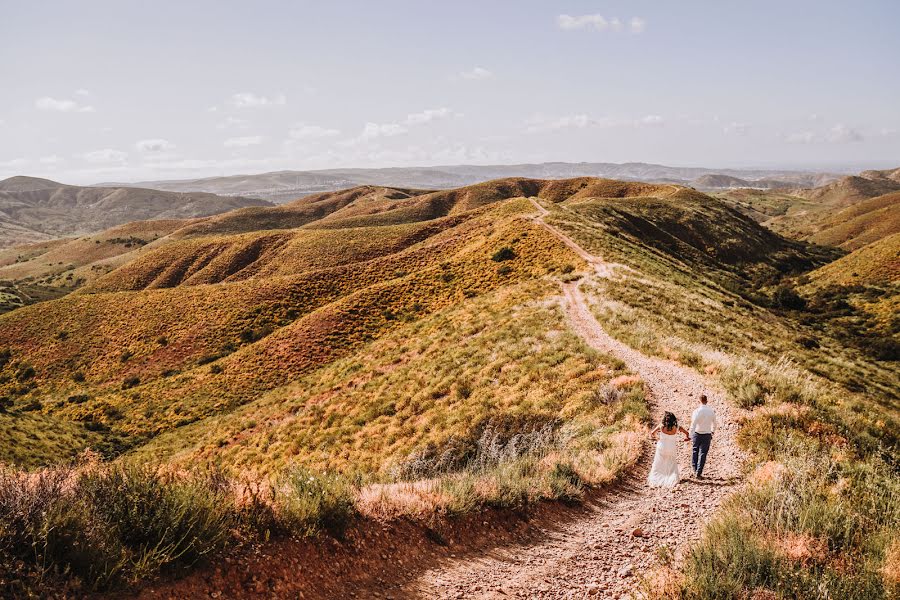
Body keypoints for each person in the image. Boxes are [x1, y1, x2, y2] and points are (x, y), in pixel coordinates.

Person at [647, 412, 690, 488]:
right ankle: (672, 478)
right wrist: (687, 438)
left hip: (662, 447)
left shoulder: (661, 426)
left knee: (658, 463)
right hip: (671, 447)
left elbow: (652, 433)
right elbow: (687, 433)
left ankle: (657, 478)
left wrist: (658, 439)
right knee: (672, 463)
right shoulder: (677, 427)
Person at [689, 394, 717, 479]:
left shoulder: (696, 411)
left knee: (695, 451)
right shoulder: (711, 411)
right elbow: (714, 423)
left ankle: (695, 469)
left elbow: (693, 424)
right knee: (703, 453)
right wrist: (712, 431)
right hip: (707, 434)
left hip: (697, 433)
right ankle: (699, 472)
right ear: (706, 401)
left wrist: (690, 434)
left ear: (699, 401)